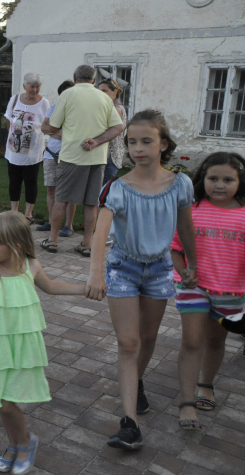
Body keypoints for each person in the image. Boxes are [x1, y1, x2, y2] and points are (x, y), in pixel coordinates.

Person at [0, 212, 91, 474]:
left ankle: (23, 442)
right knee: (0, 400)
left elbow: (52, 287)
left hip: (22, 344)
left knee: (6, 400)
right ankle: (17, 443)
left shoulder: (30, 266)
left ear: (17, 244)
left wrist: (85, 288)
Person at [87, 110, 197, 450]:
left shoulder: (180, 183)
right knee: (129, 343)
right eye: (132, 141)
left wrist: (191, 263)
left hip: (160, 269)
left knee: (148, 338)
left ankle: (137, 381)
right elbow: (100, 231)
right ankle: (129, 422)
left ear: (163, 144)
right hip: (123, 268)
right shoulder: (117, 187)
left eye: (146, 141)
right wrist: (95, 272)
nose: (138, 148)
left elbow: (185, 227)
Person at [173, 153, 245, 430]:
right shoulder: (193, 208)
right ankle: (187, 402)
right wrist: (184, 273)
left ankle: (206, 385)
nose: (219, 185)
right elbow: (175, 247)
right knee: (192, 341)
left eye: (228, 179)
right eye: (213, 178)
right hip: (194, 287)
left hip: (231, 292)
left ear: (240, 181)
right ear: (203, 180)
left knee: (215, 342)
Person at [40, 65, 125, 255]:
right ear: (94, 80)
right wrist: (96, 141)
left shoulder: (68, 95)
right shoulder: (104, 98)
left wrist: (63, 129)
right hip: (97, 158)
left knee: (61, 199)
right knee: (90, 203)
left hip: (71, 157)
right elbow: (118, 127)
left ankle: (53, 240)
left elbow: (52, 126)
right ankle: (86, 244)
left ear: (74, 77)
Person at [4, 74, 50, 222]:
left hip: (33, 152)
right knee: (14, 181)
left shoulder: (44, 103)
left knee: (31, 181)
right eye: (32, 87)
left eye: (37, 87)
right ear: (25, 87)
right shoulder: (15, 99)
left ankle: (28, 213)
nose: (34, 90)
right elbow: (7, 119)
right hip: (13, 150)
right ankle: (14, 211)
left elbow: (47, 124)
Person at [38, 81, 77, 236]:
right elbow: (43, 127)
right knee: (50, 189)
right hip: (50, 153)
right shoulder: (54, 107)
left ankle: (68, 225)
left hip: (69, 155)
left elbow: (73, 133)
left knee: (69, 192)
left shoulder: (77, 110)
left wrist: (53, 131)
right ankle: (51, 221)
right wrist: (59, 133)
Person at [98, 79, 127, 184]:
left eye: (104, 91)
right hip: (105, 154)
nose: (101, 94)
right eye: (99, 91)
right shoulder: (111, 107)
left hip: (111, 155)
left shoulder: (116, 109)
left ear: (115, 92)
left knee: (104, 189)